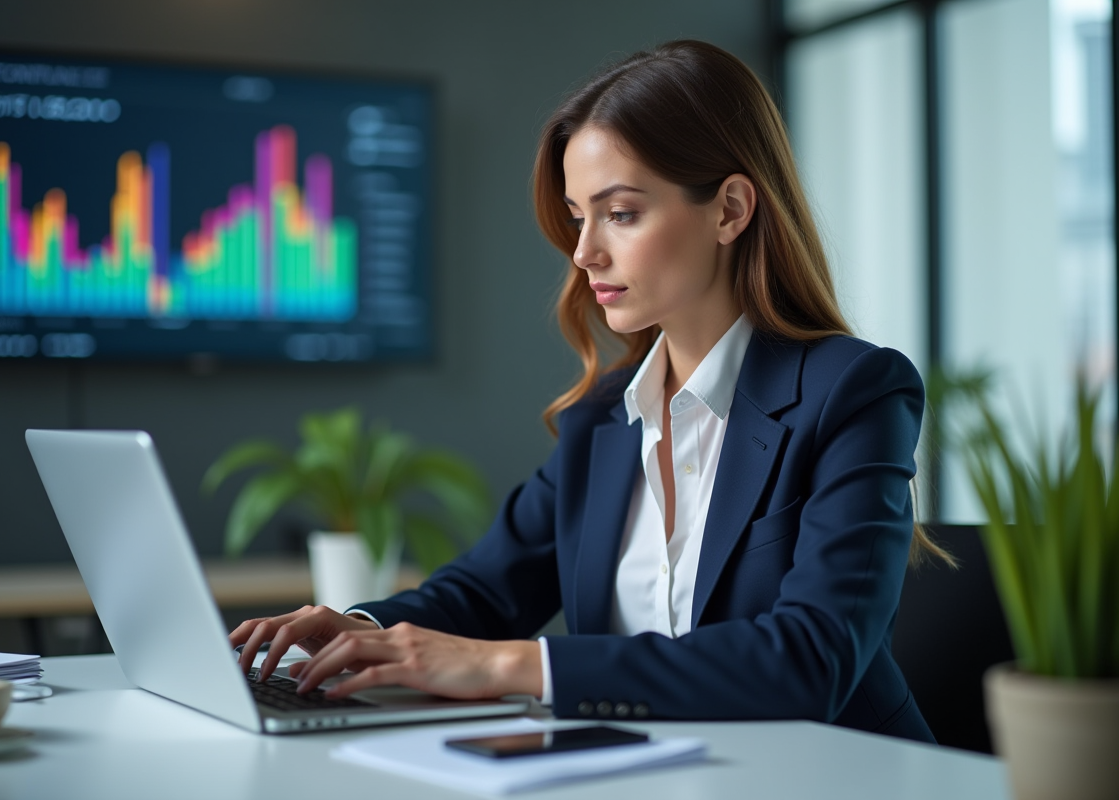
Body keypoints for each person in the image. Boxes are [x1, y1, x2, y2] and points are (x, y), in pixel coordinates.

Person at [230, 40, 946, 743]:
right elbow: (484, 592)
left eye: (622, 213)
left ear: (730, 209)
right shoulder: (603, 418)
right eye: (579, 217)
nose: (584, 252)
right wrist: (362, 629)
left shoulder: (853, 391)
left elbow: (810, 660)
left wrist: (512, 665)